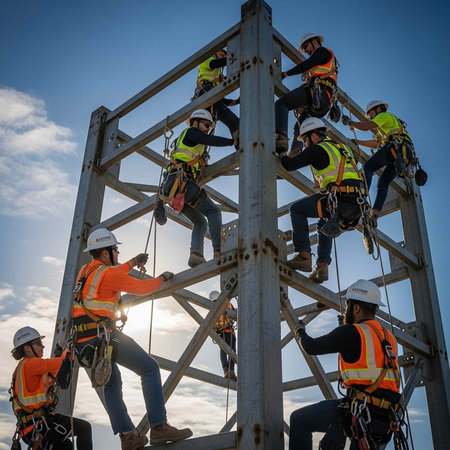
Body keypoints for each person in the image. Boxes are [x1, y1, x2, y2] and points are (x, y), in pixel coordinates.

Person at [73, 228, 192, 449]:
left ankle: (128, 437)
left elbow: (113, 273)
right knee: (149, 368)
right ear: (107, 252)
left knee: (112, 383)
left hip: (84, 341)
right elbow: (142, 287)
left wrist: (133, 261)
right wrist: (163, 278)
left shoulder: (86, 271)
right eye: (115, 250)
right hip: (102, 337)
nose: (117, 253)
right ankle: (159, 427)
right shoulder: (109, 274)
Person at [290, 280, 403, 450]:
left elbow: (310, 347)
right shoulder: (387, 336)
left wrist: (299, 330)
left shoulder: (352, 332)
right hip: (385, 416)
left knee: (299, 420)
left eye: (347, 305)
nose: (345, 310)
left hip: (360, 409)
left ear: (356, 308)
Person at [278, 117, 366, 283]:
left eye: (304, 140)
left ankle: (304, 255)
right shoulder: (341, 147)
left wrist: (283, 153)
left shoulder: (317, 149)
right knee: (323, 223)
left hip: (340, 200)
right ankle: (322, 266)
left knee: (297, 210)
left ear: (313, 136)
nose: (304, 144)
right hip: (356, 204)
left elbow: (289, 165)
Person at [161, 109, 238, 268]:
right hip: (181, 182)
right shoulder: (191, 132)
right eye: (206, 124)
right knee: (213, 211)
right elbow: (208, 140)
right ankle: (219, 251)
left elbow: (194, 154)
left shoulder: (189, 141)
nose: (207, 129)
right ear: (195, 122)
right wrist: (232, 142)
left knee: (200, 222)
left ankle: (196, 255)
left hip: (173, 187)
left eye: (209, 126)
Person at [10, 326, 93, 449]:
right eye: (38, 343)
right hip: (39, 425)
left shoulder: (24, 368)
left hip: (31, 429)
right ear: (27, 348)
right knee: (84, 428)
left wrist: (63, 353)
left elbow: (54, 370)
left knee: (66, 446)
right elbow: (61, 362)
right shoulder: (30, 364)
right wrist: (69, 348)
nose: (43, 346)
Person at [341, 100, 414, 220]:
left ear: (378, 109)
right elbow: (376, 143)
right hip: (402, 154)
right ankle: (374, 213)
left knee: (368, 168)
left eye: (370, 114)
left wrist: (350, 122)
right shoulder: (388, 127)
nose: (370, 117)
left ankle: (361, 196)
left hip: (396, 148)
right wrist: (358, 142)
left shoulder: (383, 116)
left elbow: (366, 127)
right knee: (383, 182)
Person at [275, 33, 338, 154]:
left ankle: (281, 138)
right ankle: (296, 152)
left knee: (281, 104)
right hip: (324, 101)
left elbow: (306, 64)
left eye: (305, 46)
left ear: (314, 42)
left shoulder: (322, 51)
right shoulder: (325, 62)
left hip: (317, 92)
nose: (305, 51)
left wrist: (285, 74)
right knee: (300, 127)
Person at [193, 49, 239, 139]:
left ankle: (237, 136)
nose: (223, 58)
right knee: (228, 116)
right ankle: (238, 131)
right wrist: (233, 58)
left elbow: (221, 101)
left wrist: (236, 101)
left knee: (209, 126)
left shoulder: (216, 78)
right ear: (214, 54)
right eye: (221, 55)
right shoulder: (207, 61)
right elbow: (216, 64)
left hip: (211, 97)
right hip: (205, 92)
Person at [209, 291, 237, 381]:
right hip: (228, 332)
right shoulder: (227, 303)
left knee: (223, 350)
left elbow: (211, 322)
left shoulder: (211, 307)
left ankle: (226, 370)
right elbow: (234, 313)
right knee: (232, 351)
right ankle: (230, 371)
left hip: (220, 334)